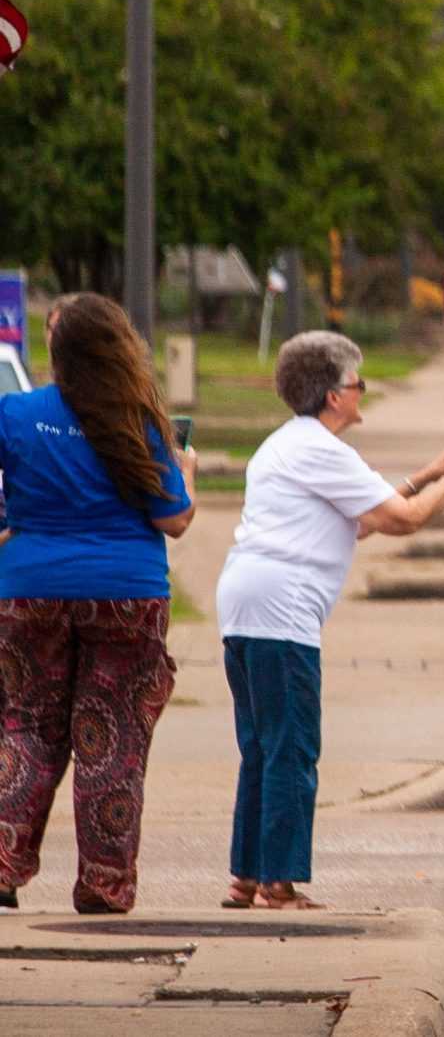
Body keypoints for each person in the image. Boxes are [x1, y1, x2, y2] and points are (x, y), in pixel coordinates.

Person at [214, 331, 444, 909]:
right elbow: (402, 522)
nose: (361, 394)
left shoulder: (283, 445)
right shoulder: (323, 451)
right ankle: (279, 882)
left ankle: (245, 876)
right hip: (283, 610)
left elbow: (363, 519)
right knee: (293, 748)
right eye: (357, 384)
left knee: (262, 746)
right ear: (332, 395)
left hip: (243, 605)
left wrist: (422, 476)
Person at [0, 293, 196, 913]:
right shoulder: (138, 421)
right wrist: (183, 470)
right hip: (126, 594)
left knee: (26, 725)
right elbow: (176, 521)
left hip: (28, 590)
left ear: (55, 350)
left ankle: (2, 863)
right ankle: (104, 886)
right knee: (109, 738)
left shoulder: (15, 415)